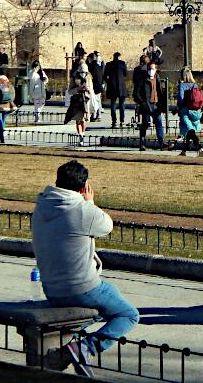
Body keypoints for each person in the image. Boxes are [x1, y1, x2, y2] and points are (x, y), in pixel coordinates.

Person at [32, 159, 139, 377]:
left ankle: (72, 346)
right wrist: (89, 203)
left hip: (51, 289)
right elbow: (107, 226)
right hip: (82, 288)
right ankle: (85, 347)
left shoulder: (41, 205)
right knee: (128, 314)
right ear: (84, 188)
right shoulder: (81, 210)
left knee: (110, 297)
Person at [133, 55, 165, 151]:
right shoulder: (142, 79)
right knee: (145, 124)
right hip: (146, 104)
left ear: (156, 69)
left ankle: (161, 142)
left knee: (159, 123)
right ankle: (142, 143)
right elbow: (136, 94)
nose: (151, 70)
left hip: (155, 104)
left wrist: (161, 104)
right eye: (150, 69)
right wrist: (142, 103)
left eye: (153, 69)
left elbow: (160, 92)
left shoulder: (157, 78)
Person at [177, 67, 203, 156]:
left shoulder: (182, 86)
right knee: (190, 131)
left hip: (186, 111)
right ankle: (184, 151)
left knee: (190, 131)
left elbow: (180, 98)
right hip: (196, 111)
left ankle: (200, 148)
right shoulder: (195, 85)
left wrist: (179, 107)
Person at [66, 76, 92, 147]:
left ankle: (82, 136)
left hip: (86, 101)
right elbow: (70, 91)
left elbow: (91, 91)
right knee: (78, 120)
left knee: (84, 120)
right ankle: (80, 137)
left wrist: (88, 89)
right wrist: (78, 89)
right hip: (77, 101)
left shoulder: (89, 78)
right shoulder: (74, 78)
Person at [104, 51, 128, 128]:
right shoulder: (122, 64)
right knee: (122, 104)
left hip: (112, 86)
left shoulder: (109, 64)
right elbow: (126, 74)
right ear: (120, 56)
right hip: (121, 87)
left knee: (113, 104)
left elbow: (105, 76)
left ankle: (114, 122)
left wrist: (109, 81)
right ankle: (122, 121)